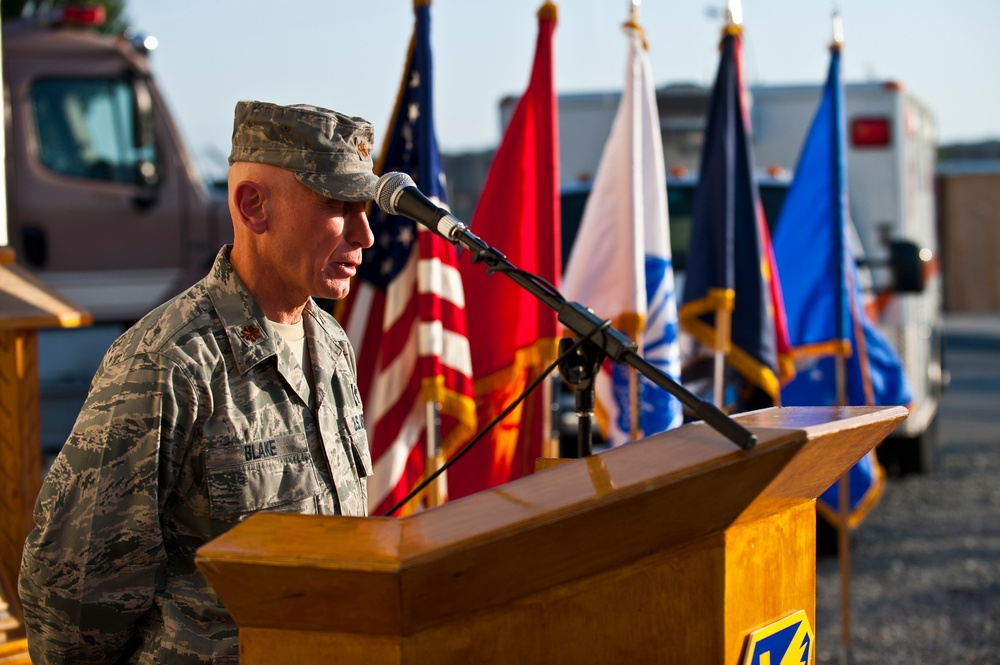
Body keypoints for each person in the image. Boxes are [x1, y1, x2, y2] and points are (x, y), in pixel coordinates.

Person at [18, 100, 378, 664]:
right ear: (254, 206)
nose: (366, 234)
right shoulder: (169, 362)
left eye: (367, 208)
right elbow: (75, 599)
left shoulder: (330, 345)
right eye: (337, 205)